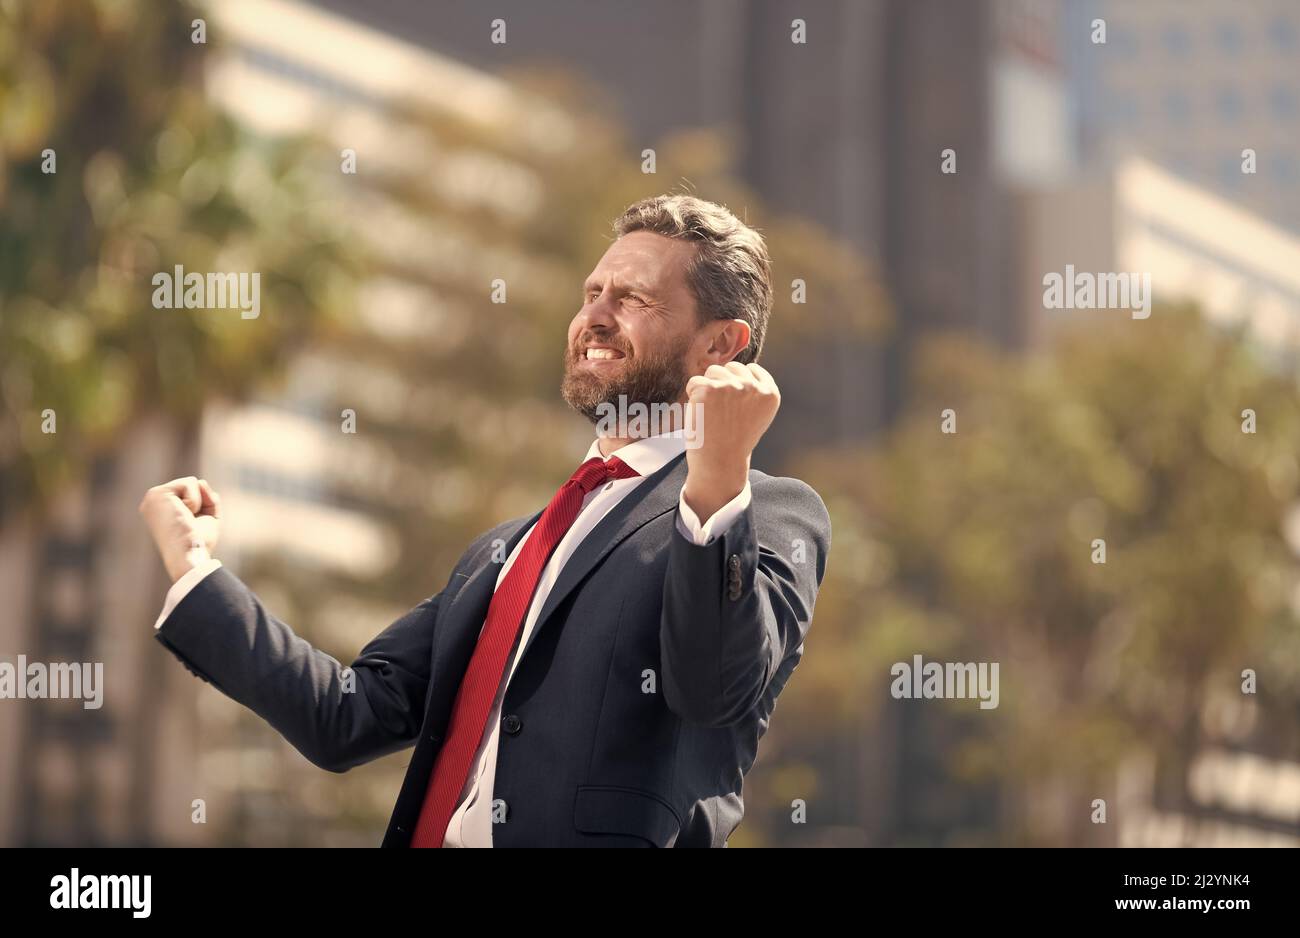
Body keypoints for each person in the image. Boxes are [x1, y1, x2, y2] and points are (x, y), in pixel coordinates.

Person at [138, 193, 831, 847]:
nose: (596, 315)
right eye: (592, 293)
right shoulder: (509, 548)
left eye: (634, 298)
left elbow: (713, 691)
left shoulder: (766, 511)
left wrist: (717, 480)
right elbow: (344, 717)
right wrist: (194, 568)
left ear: (720, 346)